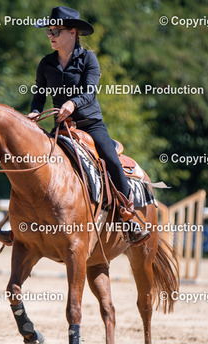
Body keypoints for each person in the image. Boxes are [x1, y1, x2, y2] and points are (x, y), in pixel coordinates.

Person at [29, 6, 149, 244]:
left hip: (91, 125)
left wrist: (72, 103)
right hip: (62, 128)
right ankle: (18, 219)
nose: (51, 35)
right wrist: (34, 112)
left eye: (56, 31)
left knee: (111, 159)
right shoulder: (45, 63)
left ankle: (128, 216)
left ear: (72, 32)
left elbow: (89, 92)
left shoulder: (88, 59)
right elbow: (39, 95)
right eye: (49, 31)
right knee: (34, 160)